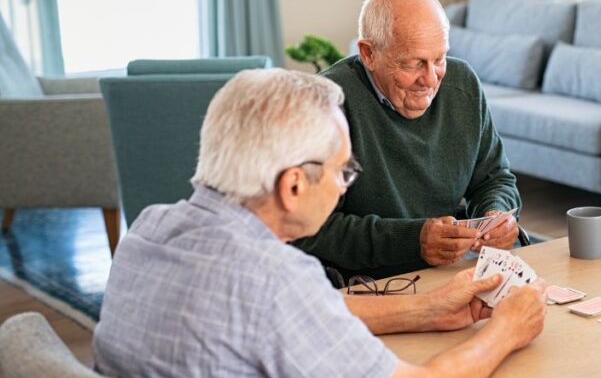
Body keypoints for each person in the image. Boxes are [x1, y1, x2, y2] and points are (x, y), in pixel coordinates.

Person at [92, 69, 546, 377]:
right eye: (342, 170)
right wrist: (507, 331)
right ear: (292, 186)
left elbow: (299, 318)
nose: (345, 186)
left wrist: (429, 308)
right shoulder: (275, 279)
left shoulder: (147, 231)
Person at [294, 0, 521, 281]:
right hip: (362, 286)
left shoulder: (462, 84)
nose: (430, 79)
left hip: (450, 273)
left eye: (439, 59)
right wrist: (412, 241)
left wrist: (496, 214)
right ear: (368, 54)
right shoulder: (326, 105)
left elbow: (495, 179)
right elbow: (309, 229)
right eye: (413, 64)